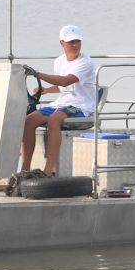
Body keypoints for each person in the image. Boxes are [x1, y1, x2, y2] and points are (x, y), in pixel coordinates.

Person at [20, 24, 99, 177]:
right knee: (28, 121)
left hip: (82, 106)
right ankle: (25, 169)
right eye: (71, 42)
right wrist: (47, 90)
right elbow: (63, 86)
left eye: (78, 41)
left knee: (54, 120)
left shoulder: (86, 62)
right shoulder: (59, 61)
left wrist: (37, 74)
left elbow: (66, 81)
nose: (75, 45)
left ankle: (48, 170)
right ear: (62, 43)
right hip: (62, 103)